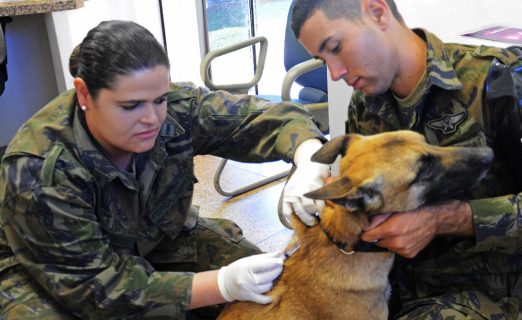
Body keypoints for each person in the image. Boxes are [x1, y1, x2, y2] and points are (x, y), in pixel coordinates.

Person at [0, 20, 329, 319]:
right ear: (85, 93)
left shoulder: (173, 107)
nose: (152, 119)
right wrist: (222, 285)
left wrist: (308, 156)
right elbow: (98, 291)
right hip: (60, 272)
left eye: (158, 99)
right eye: (131, 106)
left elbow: (261, 118)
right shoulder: (39, 169)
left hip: (155, 241)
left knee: (276, 288)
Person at [290, 0, 522, 319]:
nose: (335, 73)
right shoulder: (365, 104)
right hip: (390, 282)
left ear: (377, 12)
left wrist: (442, 220)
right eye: (323, 60)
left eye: (336, 47)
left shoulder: (502, 76)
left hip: (482, 291)